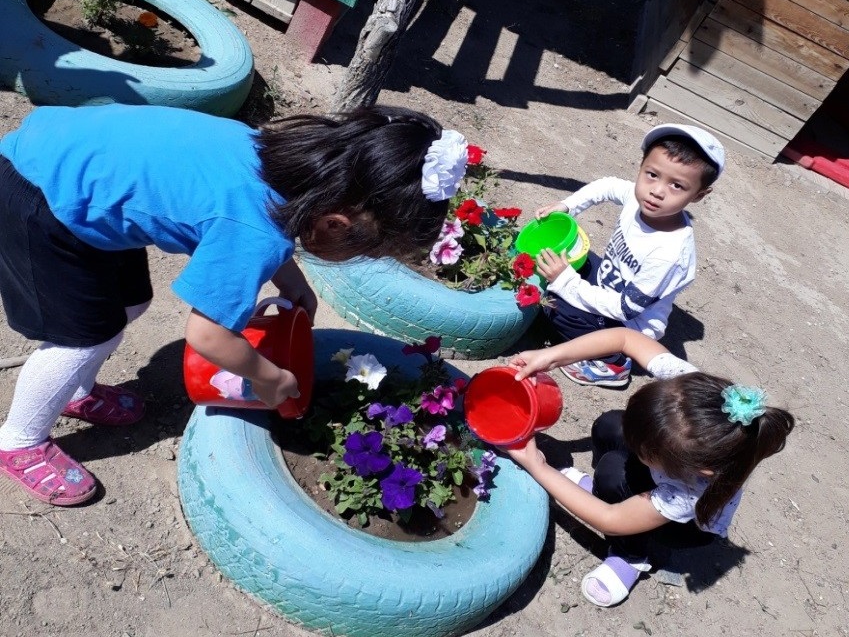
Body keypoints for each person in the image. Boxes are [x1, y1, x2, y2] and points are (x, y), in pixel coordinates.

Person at [0, 102, 469, 507]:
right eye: (363, 250)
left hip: (73, 166)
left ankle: (75, 393)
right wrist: (269, 377)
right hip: (39, 198)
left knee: (129, 305)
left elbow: (264, 216)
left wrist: (287, 274)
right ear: (334, 224)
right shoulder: (254, 231)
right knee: (82, 339)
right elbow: (207, 336)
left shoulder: (275, 158)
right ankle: (19, 441)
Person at [505, 327, 795, 608]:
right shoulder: (689, 398)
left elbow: (609, 519)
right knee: (610, 424)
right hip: (668, 469)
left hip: (681, 528)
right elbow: (624, 338)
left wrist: (538, 466)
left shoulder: (690, 492)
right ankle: (604, 492)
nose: (635, 447)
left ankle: (631, 555)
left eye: (645, 452)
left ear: (694, 468)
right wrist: (552, 356)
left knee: (612, 475)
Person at [533, 123, 725, 388]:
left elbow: (625, 308)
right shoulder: (640, 199)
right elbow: (607, 186)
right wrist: (568, 206)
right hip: (609, 282)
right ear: (641, 166)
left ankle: (611, 362)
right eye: (652, 174)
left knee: (556, 305)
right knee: (567, 262)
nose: (657, 191)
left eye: (677, 185)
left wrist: (566, 283)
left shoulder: (669, 254)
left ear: (699, 195)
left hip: (628, 324)